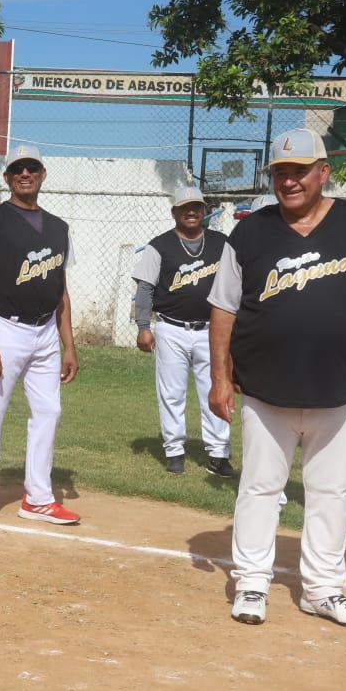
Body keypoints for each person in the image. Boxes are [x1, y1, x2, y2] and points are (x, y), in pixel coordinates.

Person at [209, 129, 346, 631]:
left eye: (300, 170)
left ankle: (322, 589)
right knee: (259, 487)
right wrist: (220, 378)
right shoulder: (250, 233)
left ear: (324, 173)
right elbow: (223, 309)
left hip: (337, 389)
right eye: (280, 172)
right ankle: (252, 580)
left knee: (329, 490)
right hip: (264, 388)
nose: (290, 181)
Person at [0, 145, 80, 530]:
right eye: (17, 169)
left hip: (45, 331)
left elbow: (60, 290)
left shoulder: (60, 228)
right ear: (8, 177)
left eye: (32, 168)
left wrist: (69, 345)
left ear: (43, 174)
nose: (25, 173)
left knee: (49, 412)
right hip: (4, 329)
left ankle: (39, 498)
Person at [130, 186, 234, 477]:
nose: (191, 211)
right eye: (184, 207)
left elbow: (235, 285)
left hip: (212, 329)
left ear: (204, 211)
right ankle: (174, 450)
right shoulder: (159, 245)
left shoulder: (222, 244)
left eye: (196, 207)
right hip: (171, 328)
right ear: (174, 212)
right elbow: (145, 288)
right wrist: (143, 327)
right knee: (171, 392)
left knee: (215, 389)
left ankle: (219, 453)